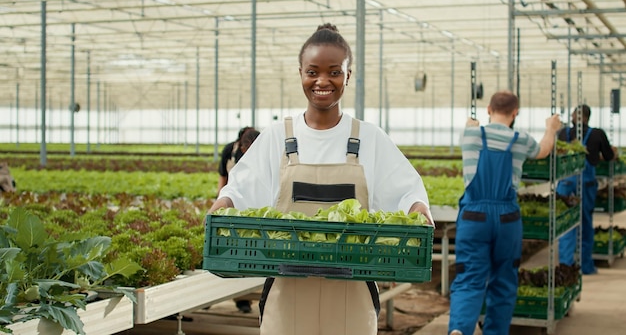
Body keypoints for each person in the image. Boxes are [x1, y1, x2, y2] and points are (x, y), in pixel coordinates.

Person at [208, 23, 433, 335]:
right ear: (300, 72)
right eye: (312, 71)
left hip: (351, 293)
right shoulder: (277, 137)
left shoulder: (369, 137)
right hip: (287, 291)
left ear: (348, 75)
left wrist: (418, 208)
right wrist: (225, 202)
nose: (322, 81)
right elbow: (242, 188)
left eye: (334, 71)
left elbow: (406, 190)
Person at [448, 91, 561, 335]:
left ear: (488, 109)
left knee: (469, 278)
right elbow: (543, 150)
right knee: (504, 280)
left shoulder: (470, 135)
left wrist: (472, 123)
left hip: (474, 217)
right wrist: (551, 128)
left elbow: (469, 125)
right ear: (515, 113)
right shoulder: (521, 140)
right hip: (507, 218)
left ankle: (459, 328)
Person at [556, 104, 618, 275]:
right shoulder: (597, 134)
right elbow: (608, 156)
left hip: (565, 185)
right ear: (588, 117)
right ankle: (585, 266)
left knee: (566, 225)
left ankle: (566, 266)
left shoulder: (562, 133)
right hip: (586, 184)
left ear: (573, 116)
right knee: (585, 224)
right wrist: (612, 153)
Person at [215, 126, 260, 313]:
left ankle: (243, 299)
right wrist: (220, 200)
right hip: (231, 205)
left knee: (246, 254)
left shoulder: (263, 152)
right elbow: (223, 177)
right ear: (242, 147)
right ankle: (220, 293)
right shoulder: (230, 151)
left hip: (253, 206)